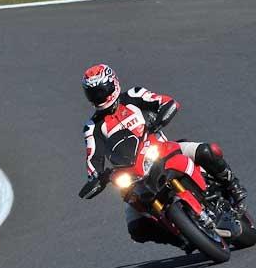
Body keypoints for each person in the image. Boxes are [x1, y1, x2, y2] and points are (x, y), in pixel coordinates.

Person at [81, 63, 246, 248]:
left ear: (113, 85)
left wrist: (160, 118)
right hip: (134, 174)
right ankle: (181, 239)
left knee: (207, 151)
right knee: (136, 229)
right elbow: (92, 158)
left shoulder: (134, 95)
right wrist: (97, 177)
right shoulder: (92, 126)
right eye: (93, 93)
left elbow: (166, 101)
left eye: (101, 91)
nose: (99, 97)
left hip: (163, 150)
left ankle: (232, 186)